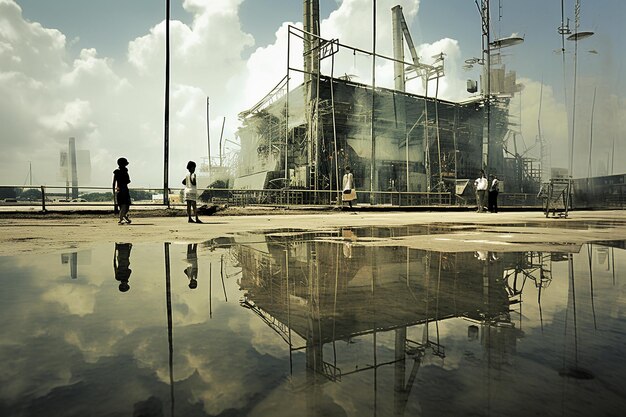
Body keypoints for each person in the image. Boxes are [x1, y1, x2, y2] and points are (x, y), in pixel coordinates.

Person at [113, 157, 131, 224]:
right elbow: (128, 181)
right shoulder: (123, 171)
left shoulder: (117, 172)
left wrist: (114, 192)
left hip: (119, 190)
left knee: (123, 205)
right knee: (125, 205)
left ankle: (124, 216)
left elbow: (114, 183)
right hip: (123, 190)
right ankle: (121, 218)